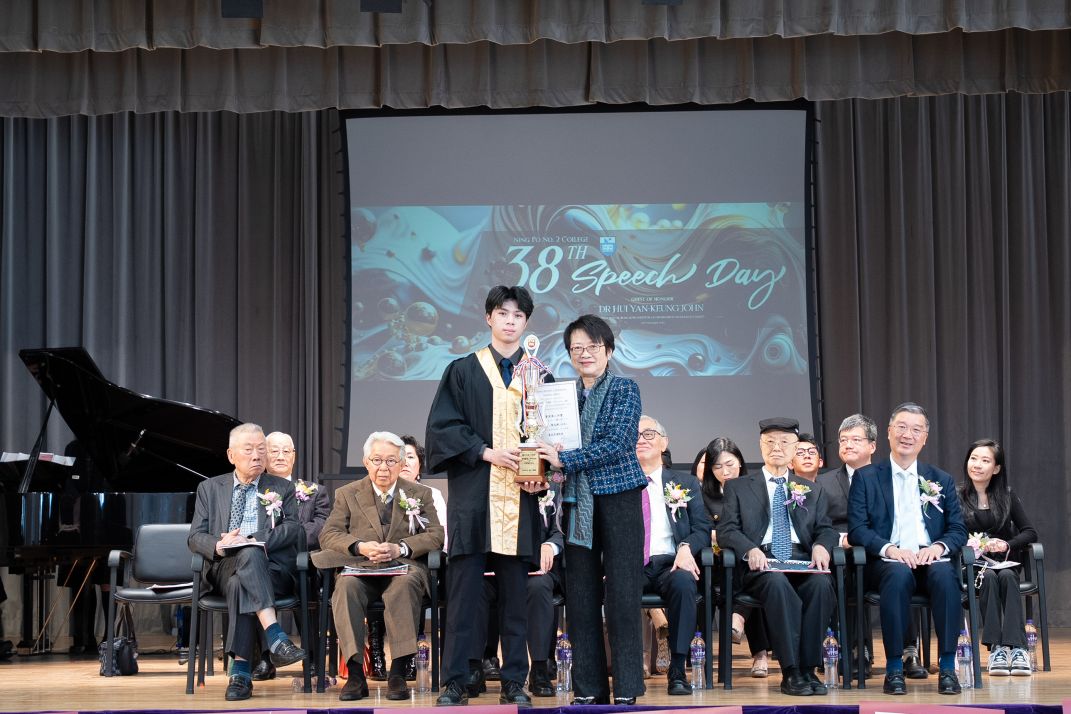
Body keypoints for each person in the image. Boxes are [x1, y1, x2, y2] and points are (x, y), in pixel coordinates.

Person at [425, 285, 548, 707]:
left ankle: (514, 681)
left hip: (520, 501)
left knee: (516, 600)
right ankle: (456, 681)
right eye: (503, 313)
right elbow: (442, 429)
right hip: (474, 500)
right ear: (488, 318)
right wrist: (486, 451)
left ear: (526, 322)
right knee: (463, 599)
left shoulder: (538, 374)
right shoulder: (462, 371)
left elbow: (551, 436)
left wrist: (543, 476)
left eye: (518, 315)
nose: (510, 321)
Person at [536, 314, 647, 705]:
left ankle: (627, 689)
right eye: (577, 348)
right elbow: (552, 444)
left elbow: (618, 443)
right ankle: (588, 690)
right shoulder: (561, 396)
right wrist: (547, 457)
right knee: (581, 598)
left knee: (622, 598)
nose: (585, 354)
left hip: (619, 499)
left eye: (593, 347)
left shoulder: (625, 388)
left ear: (608, 350)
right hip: (576, 502)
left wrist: (566, 459)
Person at [848, 402, 967, 696]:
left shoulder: (940, 479)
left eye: (916, 430)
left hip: (930, 558)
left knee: (945, 576)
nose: (907, 435)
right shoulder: (866, 477)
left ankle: (948, 667)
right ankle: (894, 669)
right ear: (889, 432)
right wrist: (890, 549)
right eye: (901, 427)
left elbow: (957, 529)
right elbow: (858, 529)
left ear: (924, 438)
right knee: (898, 575)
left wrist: (938, 547)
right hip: (888, 561)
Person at [317, 431, 445, 701]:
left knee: (404, 586)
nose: (383, 467)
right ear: (366, 462)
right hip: (361, 567)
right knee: (345, 588)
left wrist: (401, 548)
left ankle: (398, 673)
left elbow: (436, 535)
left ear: (401, 463)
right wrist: (359, 546)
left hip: (403, 566)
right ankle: (355, 675)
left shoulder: (419, 493)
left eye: (390, 461)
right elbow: (329, 534)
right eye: (377, 460)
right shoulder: (347, 494)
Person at [716, 417, 838, 697]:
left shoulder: (812, 489)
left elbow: (826, 529)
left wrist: (822, 545)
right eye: (769, 442)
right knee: (777, 583)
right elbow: (727, 530)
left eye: (784, 442)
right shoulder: (739, 486)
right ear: (760, 446)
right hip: (762, 562)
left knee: (821, 585)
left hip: (801, 559)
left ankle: (808, 668)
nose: (777, 447)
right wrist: (750, 549)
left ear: (795, 448)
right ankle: (791, 671)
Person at [187, 423, 306, 701]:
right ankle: (275, 636)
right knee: (243, 563)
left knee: (242, 575)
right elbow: (195, 536)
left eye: (261, 449)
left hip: (271, 569)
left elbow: (294, 529)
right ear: (231, 455)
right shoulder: (209, 488)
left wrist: (253, 539)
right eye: (249, 449)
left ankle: (240, 673)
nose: (257, 456)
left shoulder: (282, 487)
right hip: (224, 565)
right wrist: (219, 545)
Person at [635, 415, 712, 695]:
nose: (641, 440)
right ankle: (628, 668)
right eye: (635, 435)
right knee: (618, 586)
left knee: (684, 583)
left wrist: (686, 547)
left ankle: (677, 670)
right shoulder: (618, 482)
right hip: (632, 564)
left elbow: (702, 528)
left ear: (664, 443)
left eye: (649, 434)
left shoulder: (684, 483)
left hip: (671, 563)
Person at [250, 430, 332, 681]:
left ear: (294, 456)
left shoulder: (315, 491)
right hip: (266, 563)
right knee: (253, 577)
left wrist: (283, 539)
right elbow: (251, 529)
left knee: (306, 579)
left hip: (302, 563)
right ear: (264, 455)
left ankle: (313, 658)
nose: (280, 456)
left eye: (286, 451)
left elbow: (321, 528)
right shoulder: (252, 491)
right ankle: (265, 658)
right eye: (274, 451)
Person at [473, 481, 565, 697]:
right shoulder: (489, 483)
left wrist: (549, 545)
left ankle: (540, 667)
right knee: (475, 588)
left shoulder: (551, 487)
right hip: (494, 566)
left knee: (538, 587)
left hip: (535, 568)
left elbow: (561, 529)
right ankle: (475, 666)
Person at [959, 438, 1037, 676]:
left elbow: (1030, 532)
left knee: (1006, 576)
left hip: (1004, 563)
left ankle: (1017, 648)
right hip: (973, 566)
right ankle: (997, 649)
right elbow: (949, 533)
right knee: (990, 578)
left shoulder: (1006, 495)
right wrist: (970, 545)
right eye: (973, 459)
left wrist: (1006, 544)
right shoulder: (957, 495)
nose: (977, 465)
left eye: (985, 460)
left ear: (996, 468)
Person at [697, 437, 771, 678]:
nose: (725, 472)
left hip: (747, 561)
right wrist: (726, 537)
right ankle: (743, 634)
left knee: (752, 568)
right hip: (713, 564)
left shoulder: (755, 490)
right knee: (739, 568)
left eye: (729, 464)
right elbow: (701, 529)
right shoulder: (703, 495)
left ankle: (759, 653)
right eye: (717, 467)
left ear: (740, 461)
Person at [815, 414, 878, 676]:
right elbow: (819, 524)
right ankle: (839, 648)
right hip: (839, 553)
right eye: (843, 440)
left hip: (877, 552)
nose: (847, 445)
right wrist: (843, 540)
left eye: (855, 439)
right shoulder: (824, 482)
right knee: (836, 574)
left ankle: (904, 651)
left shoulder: (886, 479)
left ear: (872, 445)